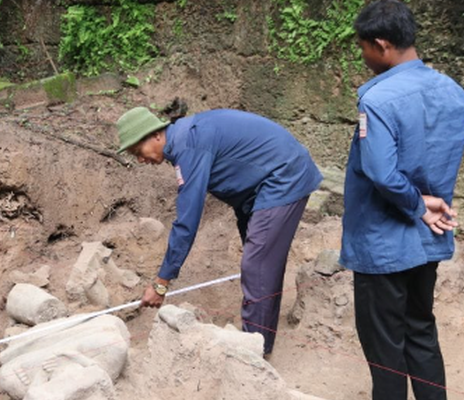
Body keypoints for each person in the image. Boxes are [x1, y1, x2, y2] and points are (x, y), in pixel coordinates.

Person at [341, 0, 464, 400]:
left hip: (383, 240)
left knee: (383, 340)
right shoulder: (454, 93)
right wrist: (427, 205)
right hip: (427, 239)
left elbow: (380, 171)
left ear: (382, 45)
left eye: (364, 49)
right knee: (421, 328)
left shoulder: (376, 98)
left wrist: (416, 205)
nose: (363, 57)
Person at [116, 107, 322, 356]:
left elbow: (187, 221)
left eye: (138, 151)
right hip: (262, 185)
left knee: (256, 265)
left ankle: (252, 354)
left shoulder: (188, 147)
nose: (139, 159)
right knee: (261, 263)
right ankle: (260, 341)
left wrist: (161, 283)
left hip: (284, 176)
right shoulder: (184, 139)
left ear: (156, 136)